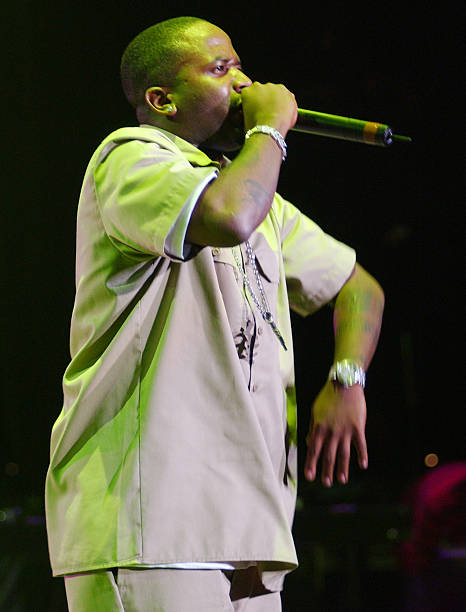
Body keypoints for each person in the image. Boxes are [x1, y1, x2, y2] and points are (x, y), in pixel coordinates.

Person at [45, 16, 384, 612]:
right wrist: (270, 131)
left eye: (241, 66)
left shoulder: (253, 196)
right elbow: (228, 218)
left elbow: (359, 288)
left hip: (249, 531)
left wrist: (347, 377)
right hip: (153, 519)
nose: (245, 83)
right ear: (163, 99)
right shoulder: (132, 157)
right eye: (221, 68)